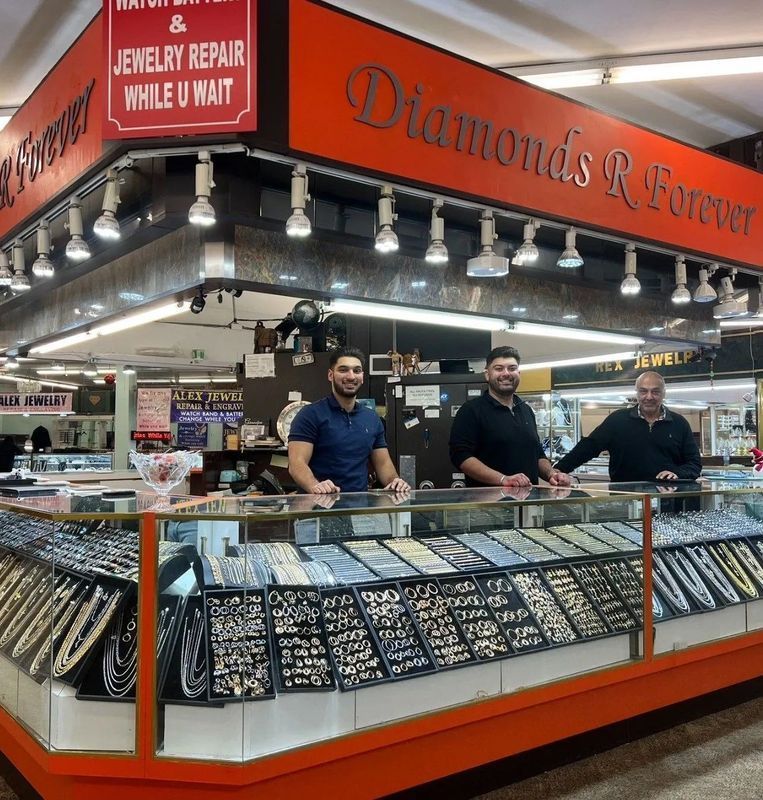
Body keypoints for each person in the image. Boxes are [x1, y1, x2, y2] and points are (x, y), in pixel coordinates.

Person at [288, 347, 411, 494]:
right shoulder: (310, 415)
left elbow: (384, 464)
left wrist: (395, 482)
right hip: (318, 509)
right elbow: (296, 464)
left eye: (357, 371)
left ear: (362, 377)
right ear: (330, 375)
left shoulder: (371, 418)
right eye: (343, 370)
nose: (351, 376)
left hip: (358, 509)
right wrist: (315, 486)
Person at [449, 345, 571, 488]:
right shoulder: (471, 410)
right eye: (499, 368)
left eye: (512, 368)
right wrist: (503, 479)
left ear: (519, 373)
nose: (506, 373)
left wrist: (552, 474)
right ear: (487, 374)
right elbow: (461, 456)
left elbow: (537, 455)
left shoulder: (526, 410)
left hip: (528, 504)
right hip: (488, 505)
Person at [554, 371, 701, 482]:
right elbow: (588, 447)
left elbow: (694, 464)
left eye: (655, 391)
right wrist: (557, 471)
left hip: (668, 502)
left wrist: (678, 474)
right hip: (626, 499)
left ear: (664, 393)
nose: (649, 396)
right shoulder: (617, 420)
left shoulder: (679, 423)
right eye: (643, 391)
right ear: (636, 393)